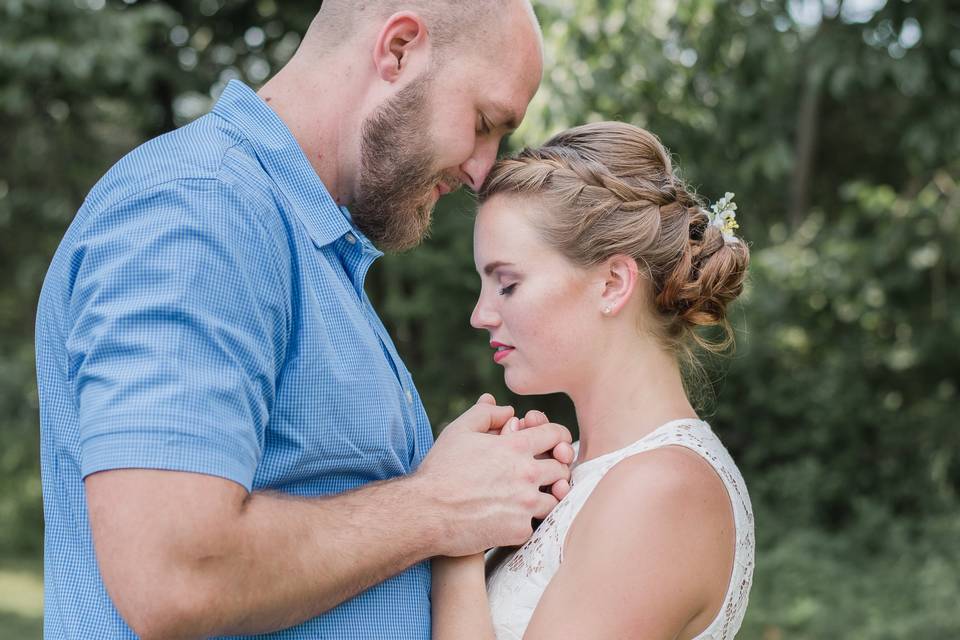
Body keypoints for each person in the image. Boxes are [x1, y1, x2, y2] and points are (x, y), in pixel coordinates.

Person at [35, 2, 575, 638]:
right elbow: (176, 575)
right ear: (399, 49)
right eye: (484, 122)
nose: (482, 170)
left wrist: (463, 488)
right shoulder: (202, 210)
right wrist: (440, 504)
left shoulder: (300, 241)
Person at [431, 121, 755, 639]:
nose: (480, 314)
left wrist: (454, 531)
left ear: (612, 283)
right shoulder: (578, 470)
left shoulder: (664, 491)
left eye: (507, 283)